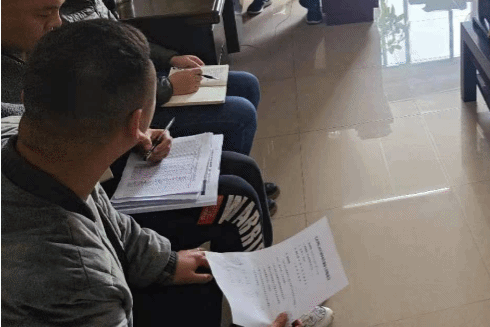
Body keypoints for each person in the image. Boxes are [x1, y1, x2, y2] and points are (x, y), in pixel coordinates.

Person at [1, 19, 331, 327]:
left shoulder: (35, 144)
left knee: (240, 174)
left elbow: (107, 219)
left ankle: (268, 298)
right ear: (137, 126)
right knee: (234, 204)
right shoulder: (80, 281)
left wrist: (166, 262)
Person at [1, 0, 276, 245]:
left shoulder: (40, 40)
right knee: (236, 190)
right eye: (43, 14)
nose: (57, 24)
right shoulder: (15, 88)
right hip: (90, 193)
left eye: (58, 10)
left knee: (244, 169)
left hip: (109, 151)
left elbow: (88, 115)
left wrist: (134, 136)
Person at [19, 0, 267, 162]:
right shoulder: (54, 19)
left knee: (247, 84)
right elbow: (98, 97)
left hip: (140, 84)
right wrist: (168, 86)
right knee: (240, 114)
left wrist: (170, 58)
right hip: (126, 111)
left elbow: (124, 41)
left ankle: (224, 166)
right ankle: (222, 174)